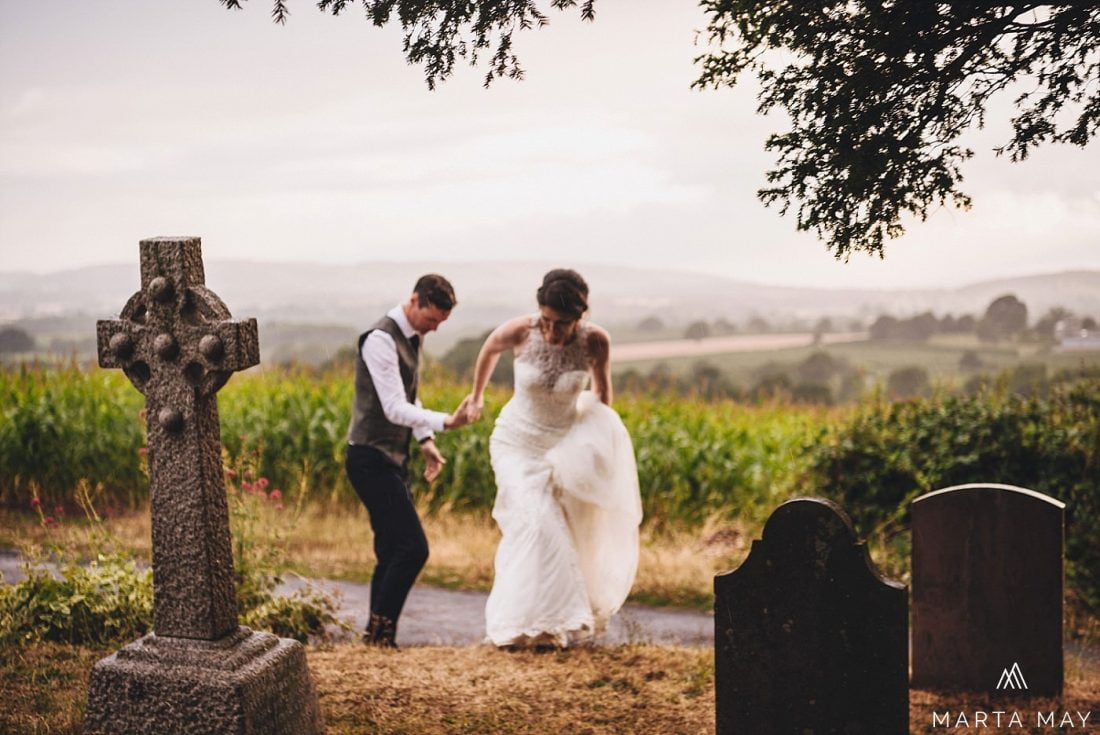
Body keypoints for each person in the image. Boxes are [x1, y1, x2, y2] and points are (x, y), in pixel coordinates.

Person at [465, 269, 642, 648]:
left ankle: (546, 626)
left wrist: (595, 447)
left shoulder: (595, 341)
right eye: (545, 319)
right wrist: (477, 395)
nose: (551, 331)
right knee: (536, 522)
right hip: (514, 441)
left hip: (560, 447)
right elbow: (490, 348)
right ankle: (521, 623)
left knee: (550, 531)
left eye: (561, 323)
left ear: (580, 317)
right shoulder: (520, 331)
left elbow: (602, 395)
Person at [345, 274, 473, 647]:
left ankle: (378, 637)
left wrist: (426, 440)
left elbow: (408, 398)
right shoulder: (381, 339)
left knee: (390, 550)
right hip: (369, 458)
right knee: (412, 548)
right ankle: (381, 637)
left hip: (392, 457)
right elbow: (393, 407)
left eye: (440, 324)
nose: (432, 330)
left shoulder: (412, 337)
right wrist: (447, 422)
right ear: (414, 300)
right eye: (431, 320)